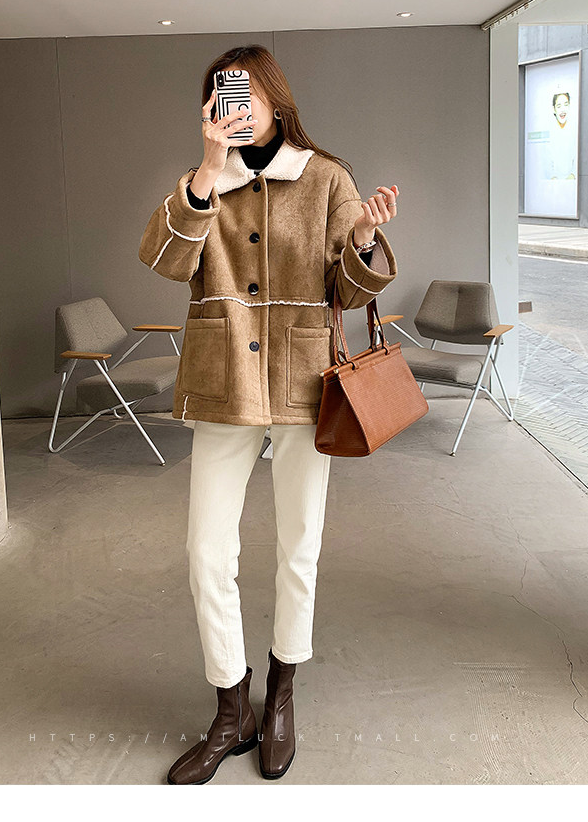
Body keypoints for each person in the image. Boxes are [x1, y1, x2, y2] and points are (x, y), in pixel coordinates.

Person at [138, 45, 401, 784]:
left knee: (298, 547)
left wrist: (362, 239)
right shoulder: (202, 182)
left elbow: (349, 291)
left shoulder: (326, 178)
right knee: (205, 552)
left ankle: (281, 695)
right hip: (224, 379)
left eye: (250, 95)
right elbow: (163, 261)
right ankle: (233, 710)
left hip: (301, 381)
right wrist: (206, 171)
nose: (239, 108)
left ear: (278, 101)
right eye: (226, 96)